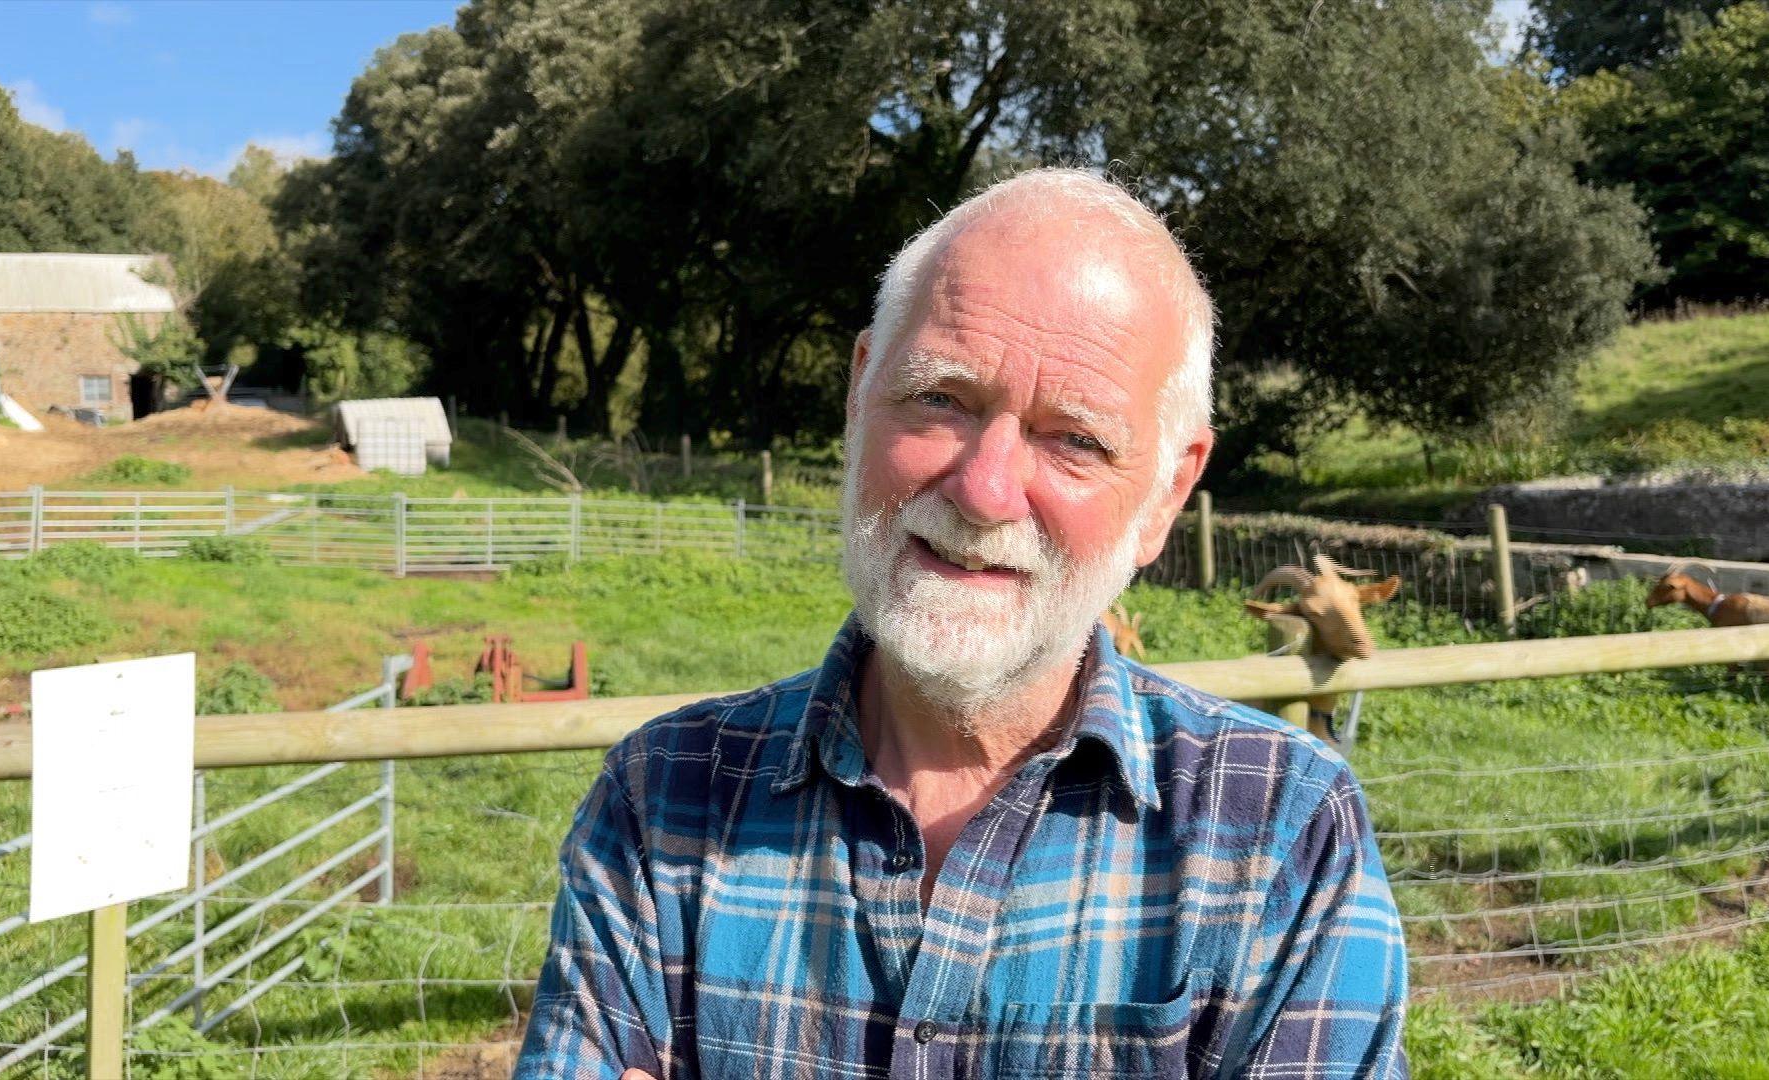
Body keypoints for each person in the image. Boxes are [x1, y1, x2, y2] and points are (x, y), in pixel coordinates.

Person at [515, 168, 1407, 1080]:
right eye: (941, 397)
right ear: (862, 393)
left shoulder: (1281, 832)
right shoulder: (662, 801)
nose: (984, 492)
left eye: (1077, 440)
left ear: (1166, 494)